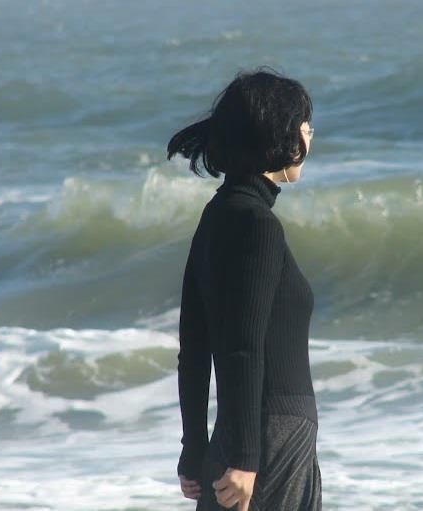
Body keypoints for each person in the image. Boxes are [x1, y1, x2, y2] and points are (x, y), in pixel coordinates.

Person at [167, 66, 321, 511]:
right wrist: (246, 459)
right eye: (305, 125)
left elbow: (194, 348)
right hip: (272, 438)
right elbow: (242, 347)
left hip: (242, 436)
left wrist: (195, 446)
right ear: (279, 134)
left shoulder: (217, 215)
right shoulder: (258, 224)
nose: (310, 135)